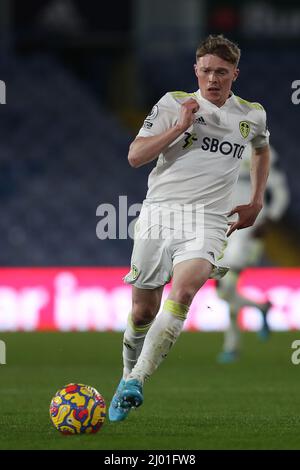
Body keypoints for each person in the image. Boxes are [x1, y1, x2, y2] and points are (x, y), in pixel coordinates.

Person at [108, 34, 270, 422]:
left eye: (222, 72)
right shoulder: (173, 104)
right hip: (159, 215)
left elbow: (261, 149)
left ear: (235, 74)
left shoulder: (252, 115)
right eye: (206, 71)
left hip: (209, 220)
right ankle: (126, 375)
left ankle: (138, 381)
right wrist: (180, 126)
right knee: (142, 312)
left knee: (183, 291)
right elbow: (135, 157)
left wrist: (257, 200)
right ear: (196, 71)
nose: (213, 79)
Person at [217, 144, 290, 363]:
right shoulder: (221, 146)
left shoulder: (259, 150)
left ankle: (232, 346)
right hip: (223, 227)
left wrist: (270, 218)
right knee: (226, 291)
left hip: (249, 229)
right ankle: (260, 308)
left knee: (226, 287)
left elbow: (281, 191)